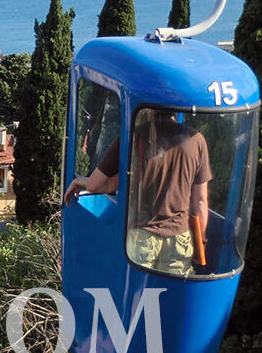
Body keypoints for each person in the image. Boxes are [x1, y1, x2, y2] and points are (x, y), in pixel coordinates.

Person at [65, 110, 210, 275]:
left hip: (141, 238)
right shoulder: (197, 140)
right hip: (179, 240)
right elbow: (200, 201)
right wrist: (201, 243)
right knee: (172, 297)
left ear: (148, 109)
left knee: (139, 295)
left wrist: (81, 182)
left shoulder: (132, 138)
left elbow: (97, 184)